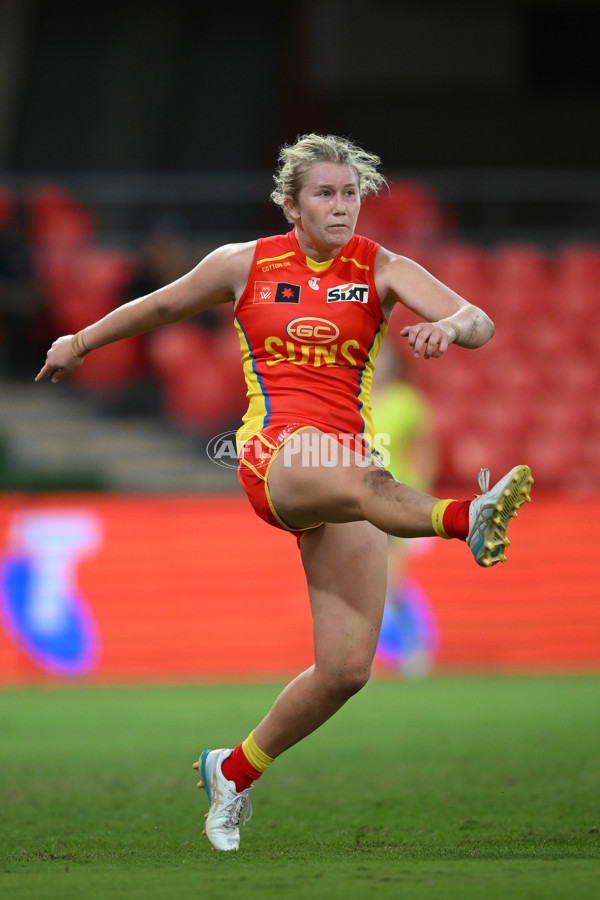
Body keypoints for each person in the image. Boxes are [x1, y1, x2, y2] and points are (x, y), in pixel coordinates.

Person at [35, 133, 533, 852]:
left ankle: (230, 772)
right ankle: (468, 515)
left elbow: (479, 321)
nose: (341, 207)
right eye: (325, 195)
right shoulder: (245, 264)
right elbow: (158, 308)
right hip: (275, 453)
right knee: (366, 477)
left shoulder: (383, 268)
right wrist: (81, 341)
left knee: (346, 670)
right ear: (292, 205)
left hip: (346, 467)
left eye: (349, 194)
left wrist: (450, 327)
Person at [371, 342, 440, 676]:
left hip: (397, 499)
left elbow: (425, 448)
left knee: (392, 582)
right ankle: (364, 656)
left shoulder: (407, 401)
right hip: (360, 503)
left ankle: (416, 649)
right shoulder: (353, 398)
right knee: (367, 582)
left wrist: (422, 490)